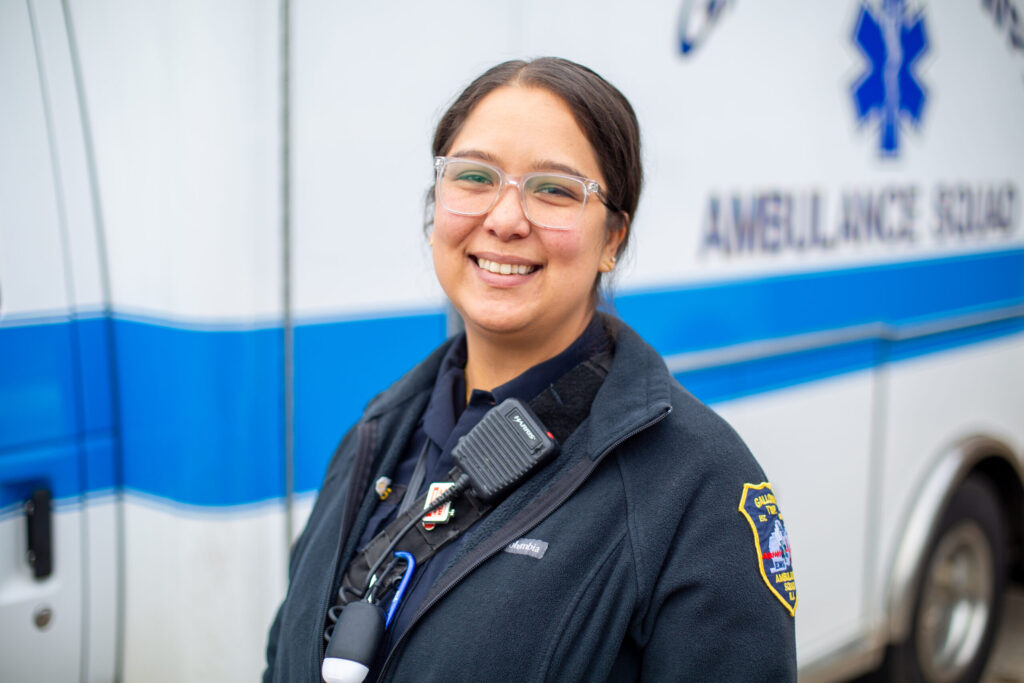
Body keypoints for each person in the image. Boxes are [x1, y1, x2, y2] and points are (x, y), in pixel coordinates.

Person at [264, 57, 797, 682]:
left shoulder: (695, 486)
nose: (506, 219)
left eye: (554, 189)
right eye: (473, 177)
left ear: (612, 239)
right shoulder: (379, 435)